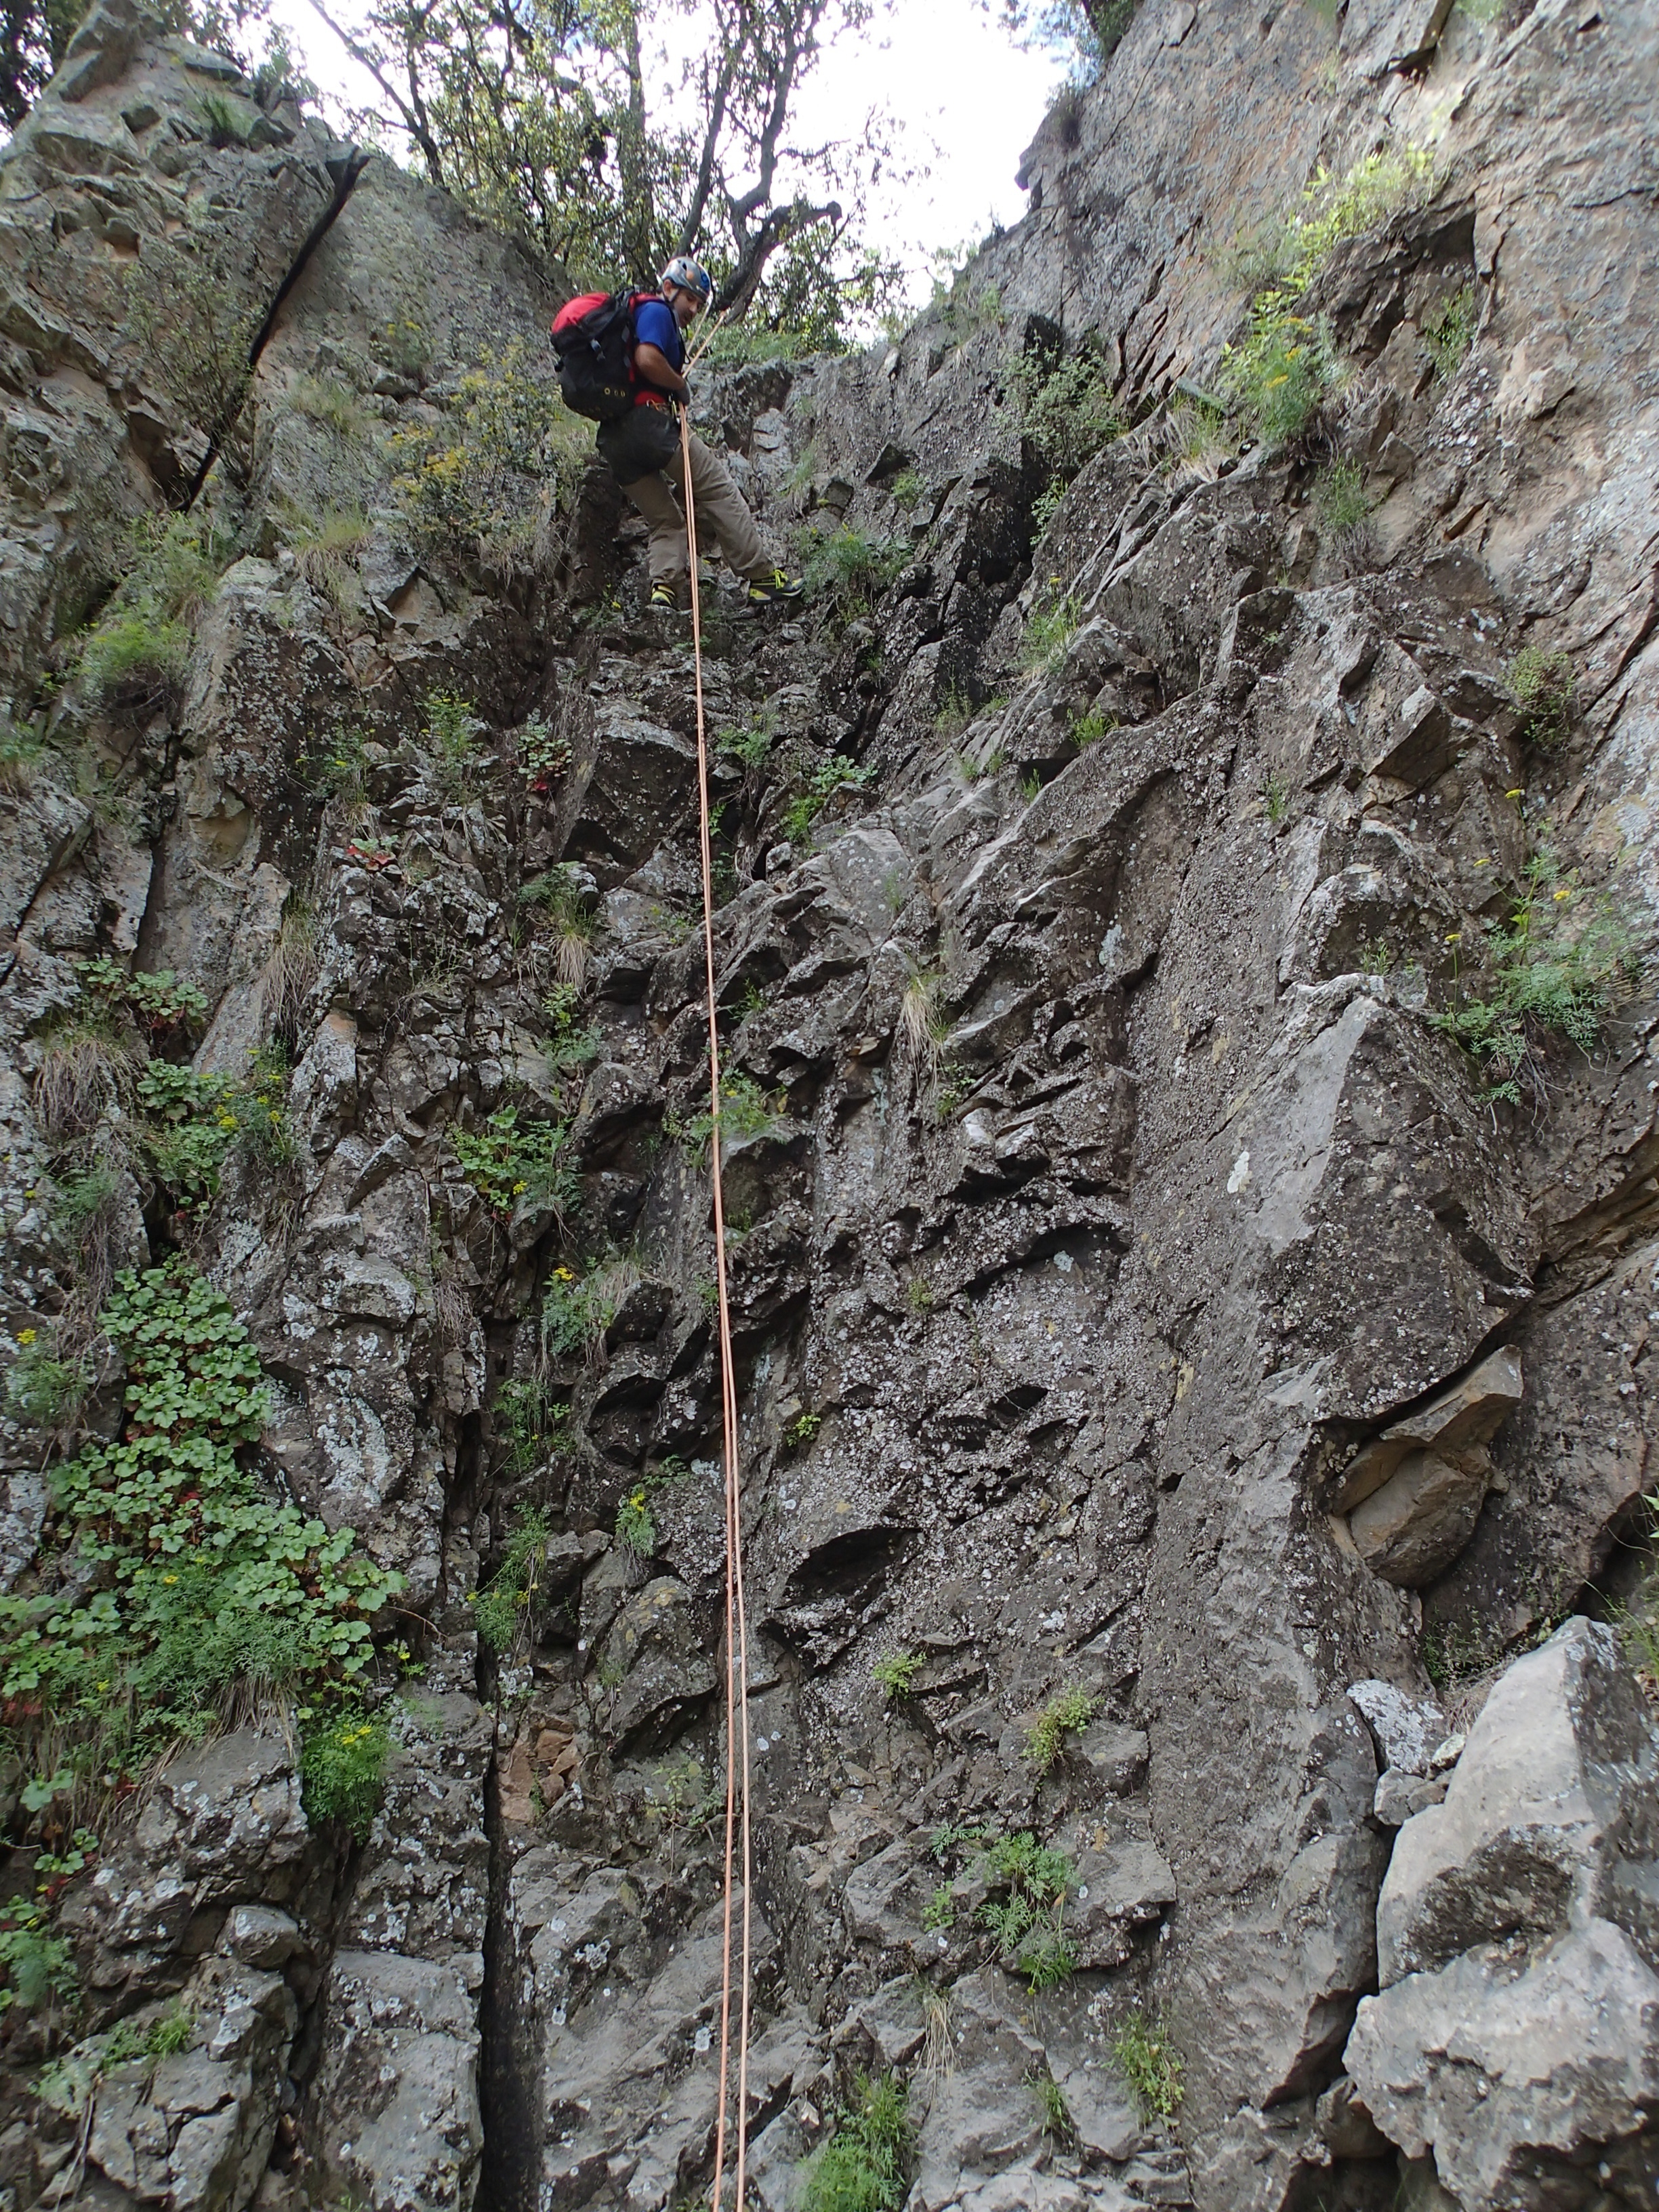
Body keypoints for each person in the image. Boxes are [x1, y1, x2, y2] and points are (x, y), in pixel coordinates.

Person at [596, 257, 804, 612]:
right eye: (689, 298)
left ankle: (664, 588)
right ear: (668, 289)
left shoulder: (634, 318)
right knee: (718, 488)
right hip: (650, 426)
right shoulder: (657, 312)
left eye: (698, 302)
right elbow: (648, 359)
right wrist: (679, 385)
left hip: (615, 442)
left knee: (665, 519)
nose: (693, 308)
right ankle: (763, 578)